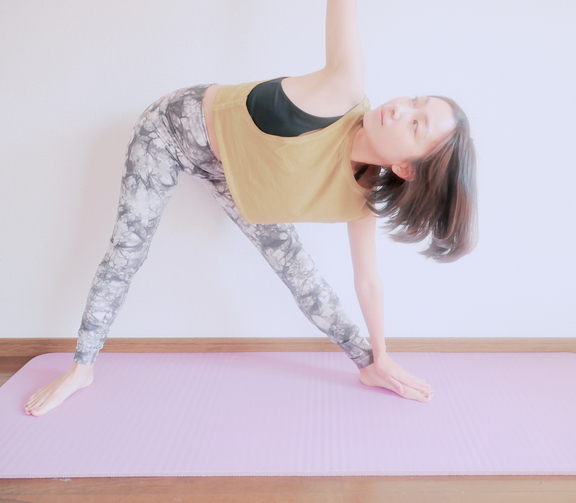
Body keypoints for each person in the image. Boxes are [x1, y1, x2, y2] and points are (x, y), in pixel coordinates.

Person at [25, 0, 477, 416]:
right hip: (169, 131)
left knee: (300, 274)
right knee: (129, 249)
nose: (399, 109)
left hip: (234, 174)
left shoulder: (361, 198)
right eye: (414, 101)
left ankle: (367, 366)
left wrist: (381, 355)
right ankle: (81, 367)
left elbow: (369, 281)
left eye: (416, 125)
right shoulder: (343, 90)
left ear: (406, 168)